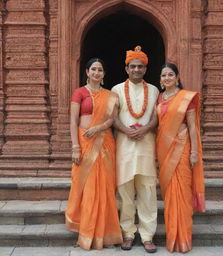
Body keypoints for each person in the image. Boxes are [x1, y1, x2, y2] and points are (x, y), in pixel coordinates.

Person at [65, 58, 123, 250]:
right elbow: (73, 121)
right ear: (87, 72)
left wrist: (99, 127)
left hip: (105, 143)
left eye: (100, 70)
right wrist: (75, 146)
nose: (97, 73)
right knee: (87, 189)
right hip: (84, 142)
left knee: (105, 189)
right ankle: (87, 233)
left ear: (104, 74)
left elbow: (113, 119)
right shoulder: (79, 93)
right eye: (93, 69)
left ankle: (104, 235)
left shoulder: (111, 95)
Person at [112, 46, 159, 253]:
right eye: (133, 66)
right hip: (124, 147)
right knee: (126, 192)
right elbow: (113, 117)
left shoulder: (155, 90)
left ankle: (148, 236)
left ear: (145, 69)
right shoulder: (116, 90)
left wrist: (146, 129)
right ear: (126, 68)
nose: (137, 69)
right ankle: (128, 233)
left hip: (147, 147)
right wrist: (127, 131)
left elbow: (156, 117)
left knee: (147, 192)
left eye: (140, 66)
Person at [156, 63, 205, 253]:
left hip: (183, 148)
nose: (166, 78)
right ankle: (172, 239)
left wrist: (194, 152)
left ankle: (183, 240)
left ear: (177, 77)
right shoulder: (160, 98)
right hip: (164, 150)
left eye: (170, 74)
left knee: (182, 193)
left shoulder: (187, 98)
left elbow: (193, 126)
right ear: (160, 80)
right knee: (169, 196)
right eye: (163, 75)